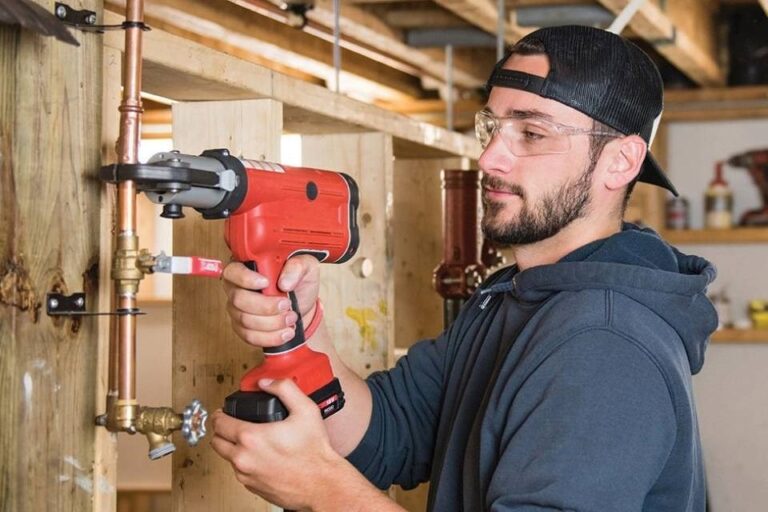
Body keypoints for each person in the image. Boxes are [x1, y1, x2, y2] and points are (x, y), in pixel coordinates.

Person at [211, 25, 717, 511]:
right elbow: (389, 430)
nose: (490, 156)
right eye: (492, 127)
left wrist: (322, 488)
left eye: (532, 133)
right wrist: (302, 329)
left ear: (621, 162)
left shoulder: (605, 342)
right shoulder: (514, 296)